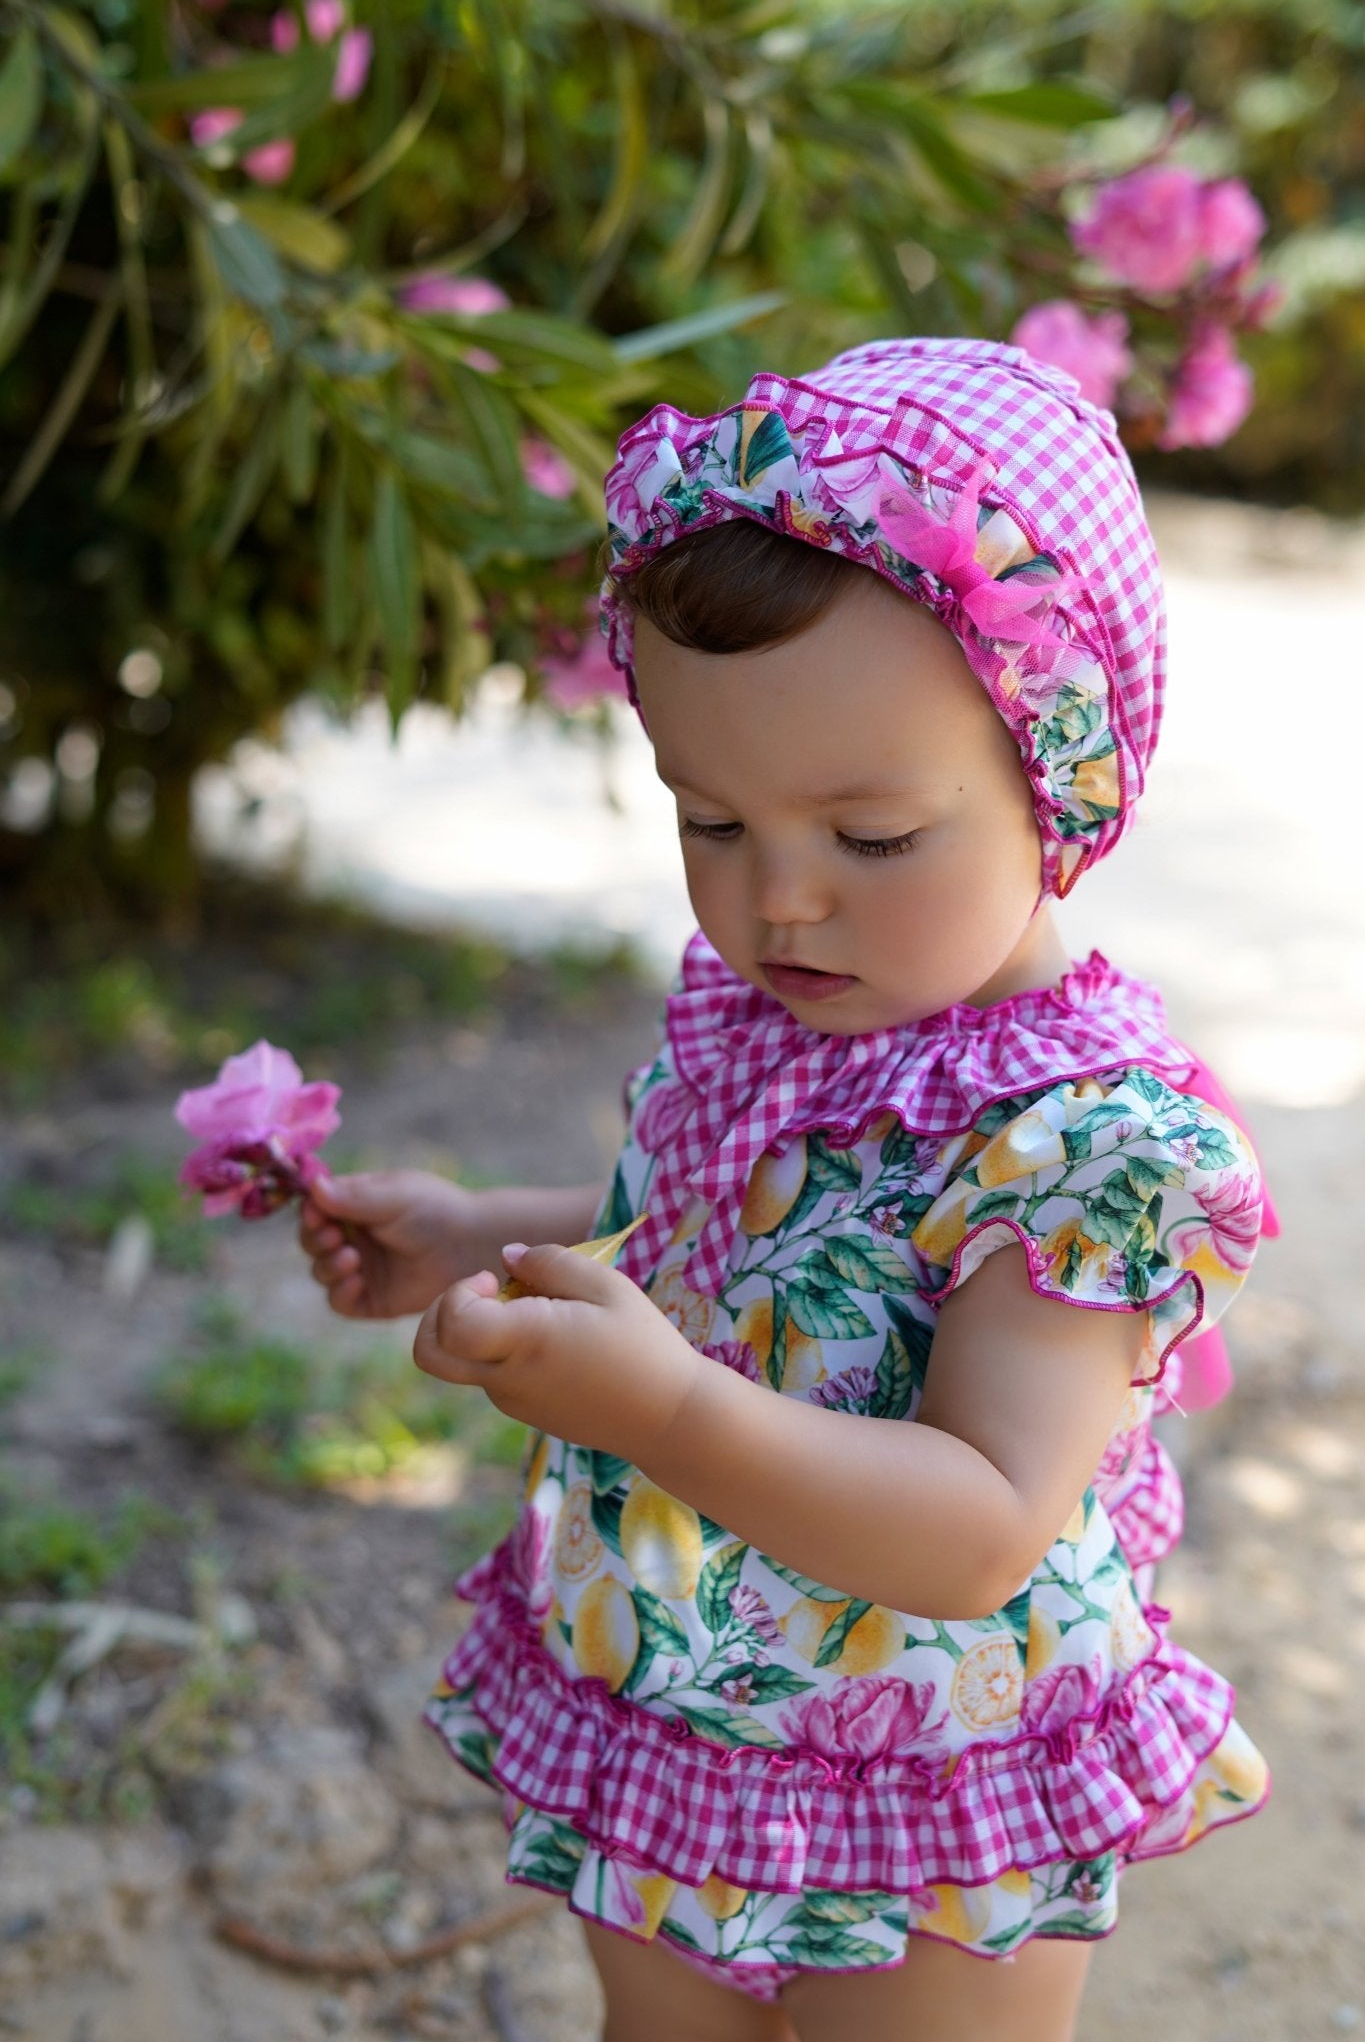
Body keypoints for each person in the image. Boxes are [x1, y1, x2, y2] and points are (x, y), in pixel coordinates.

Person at [298, 339, 1274, 2042]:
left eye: (872, 836)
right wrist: (483, 1237)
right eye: (709, 819)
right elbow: (738, 1236)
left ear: (1060, 779)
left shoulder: (1087, 1150)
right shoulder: (772, 1015)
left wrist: (663, 1409)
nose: (780, 905)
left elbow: (979, 1524)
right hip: (683, 1690)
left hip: (927, 1757)